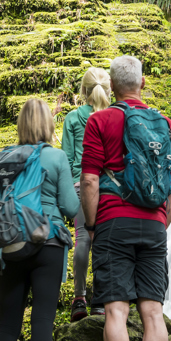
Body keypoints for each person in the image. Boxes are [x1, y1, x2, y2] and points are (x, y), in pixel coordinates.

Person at [80, 55, 171, 341]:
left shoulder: (100, 121)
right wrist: (161, 222)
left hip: (113, 222)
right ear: (142, 83)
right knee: (153, 311)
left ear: (112, 86)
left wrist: (94, 225)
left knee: (116, 309)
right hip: (154, 224)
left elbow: (89, 181)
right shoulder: (167, 126)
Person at [0, 99, 79, 341]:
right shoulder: (56, 157)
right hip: (48, 242)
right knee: (42, 321)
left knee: (7, 326)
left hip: (10, 243)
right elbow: (71, 209)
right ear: (49, 123)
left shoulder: (3, 158)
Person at [61, 67, 112, 321]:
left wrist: (70, 189)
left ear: (83, 91)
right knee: (104, 242)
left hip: (81, 185)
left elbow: (68, 159)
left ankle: (79, 298)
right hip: (109, 188)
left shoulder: (72, 118)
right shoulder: (115, 117)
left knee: (82, 238)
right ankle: (100, 300)